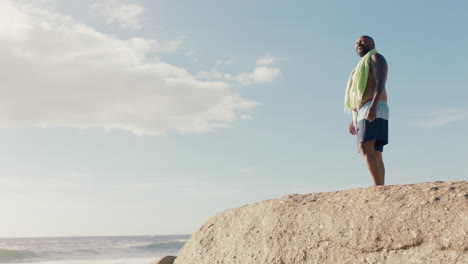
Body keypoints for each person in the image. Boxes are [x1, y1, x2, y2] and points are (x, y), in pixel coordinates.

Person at [345, 35, 389, 185]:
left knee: (365, 146)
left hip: (373, 106)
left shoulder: (376, 58)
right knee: (375, 150)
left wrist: (373, 106)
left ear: (372, 43)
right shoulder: (360, 67)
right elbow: (357, 95)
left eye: (362, 41)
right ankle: (381, 186)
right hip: (364, 109)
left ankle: (378, 187)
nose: (359, 44)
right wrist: (354, 118)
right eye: (356, 42)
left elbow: (380, 83)